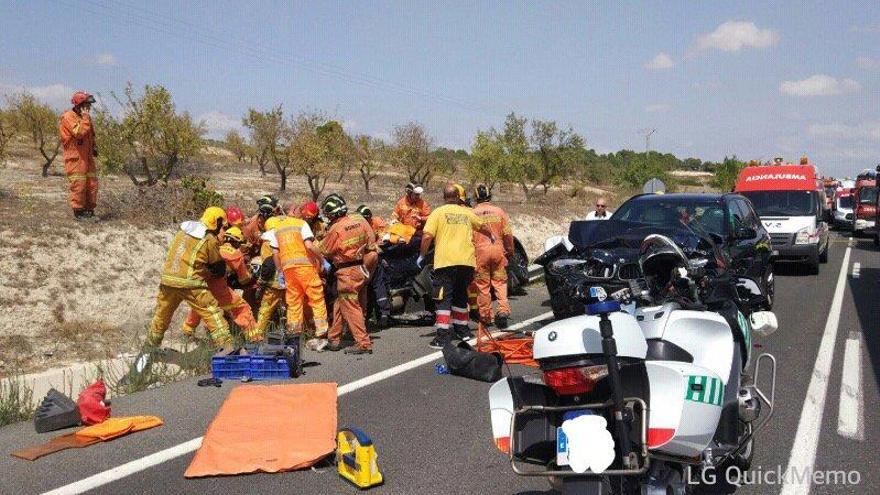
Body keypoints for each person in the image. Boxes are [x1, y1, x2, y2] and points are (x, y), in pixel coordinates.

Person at [420, 183, 495, 349]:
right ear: (458, 197)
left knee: (442, 299)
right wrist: (492, 237)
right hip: (466, 263)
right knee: (461, 296)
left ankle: (442, 337)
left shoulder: (438, 213)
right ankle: (464, 331)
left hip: (445, 263)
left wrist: (422, 255)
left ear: (444, 197)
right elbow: (482, 226)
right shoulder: (467, 212)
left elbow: (426, 236)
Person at [146, 207, 232, 350]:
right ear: (216, 223)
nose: (223, 231)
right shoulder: (208, 238)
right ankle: (226, 349)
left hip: (168, 280)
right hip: (191, 283)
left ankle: (150, 348)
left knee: (161, 316)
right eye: (223, 227)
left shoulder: (182, 233)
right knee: (212, 312)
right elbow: (219, 268)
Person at [262, 213, 330, 349]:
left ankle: (294, 337)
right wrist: (323, 260)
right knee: (316, 299)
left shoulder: (278, 229)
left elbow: (275, 253)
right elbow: (309, 246)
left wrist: (280, 271)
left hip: (288, 271)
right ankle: (321, 334)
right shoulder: (301, 224)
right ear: (293, 211)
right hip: (305, 268)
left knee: (294, 303)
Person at [180, 225, 258, 341]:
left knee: (201, 306)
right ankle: (254, 337)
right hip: (218, 288)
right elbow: (243, 279)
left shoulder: (217, 248)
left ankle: (187, 332)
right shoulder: (235, 254)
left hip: (201, 284)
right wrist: (252, 275)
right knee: (242, 308)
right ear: (237, 242)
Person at [320, 195, 376, 354]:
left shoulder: (336, 229)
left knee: (351, 307)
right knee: (340, 302)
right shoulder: (359, 222)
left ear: (332, 214)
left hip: (346, 271)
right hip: (360, 268)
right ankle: (334, 338)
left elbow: (325, 250)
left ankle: (363, 343)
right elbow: (371, 244)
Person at [472, 184, 515, 329]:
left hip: (480, 253)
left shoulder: (472, 214)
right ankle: (503, 311)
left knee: (483, 286)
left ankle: (485, 316)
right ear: (490, 196)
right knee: (500, 282)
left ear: (476, 197)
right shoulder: (499, 212)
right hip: (497, 252)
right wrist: (510, 251)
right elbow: (508, 234)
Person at [59, 91, 98, 220]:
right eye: (87, 105)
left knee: (92, 183)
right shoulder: (68, 117)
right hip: (76, 158)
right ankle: (79, 212)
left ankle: (89, 210)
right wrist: (86, 118)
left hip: (87, 157)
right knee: (79, 184)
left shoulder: (86, 117)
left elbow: (90, 134)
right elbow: (79, 132)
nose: (89, 108)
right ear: (79, 105)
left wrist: (94, 146)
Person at [253, 216, 287, 341]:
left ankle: (257, 336)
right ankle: (296, 334)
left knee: (265, 310)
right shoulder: (285, 238)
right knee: (290, 309)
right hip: (289, 281)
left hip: (274, 284)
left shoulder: (267, 243)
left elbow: (268, 264)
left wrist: (261, 282)